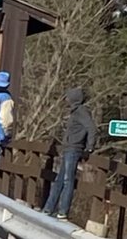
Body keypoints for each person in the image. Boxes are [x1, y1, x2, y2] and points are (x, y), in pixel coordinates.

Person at [42, 87, 97, 219]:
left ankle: (63, 211)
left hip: (74, 149)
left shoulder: (81, 112)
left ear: (73, 99)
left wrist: (89, 147)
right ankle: (48, 208)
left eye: (67, 97)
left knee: (68, 180)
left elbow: (92, 128)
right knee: (59, 179)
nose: (66, 99)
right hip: (68, 149)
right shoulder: (75, 111)